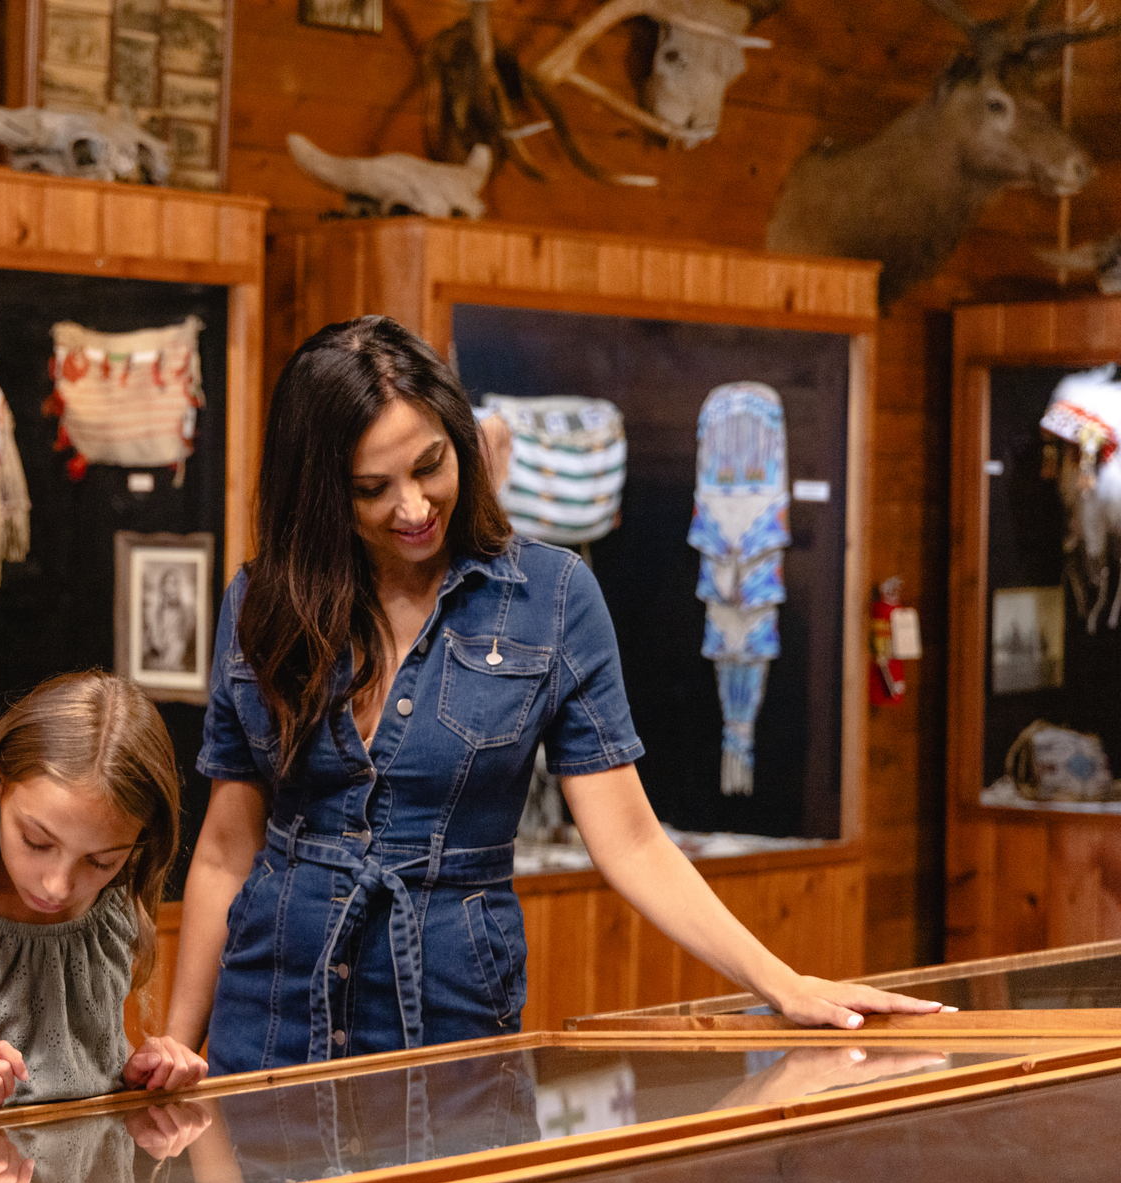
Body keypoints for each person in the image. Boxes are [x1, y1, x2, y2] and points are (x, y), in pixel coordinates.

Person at [165, 316, 945, 1074]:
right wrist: (179, 1044)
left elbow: (632, 842)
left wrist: (781, 983)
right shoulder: (265, 601)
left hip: (449, 1023)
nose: (413, 507)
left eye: (431, 465)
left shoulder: (551, 596)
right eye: (373, 488)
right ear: (320, 490)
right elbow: (229, 849)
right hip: (269, 1023)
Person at [0, 671, 209, 1109]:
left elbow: (83, 1072)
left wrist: (148, 1070)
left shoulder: (114, 902)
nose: (58, 886)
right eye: (37, 842)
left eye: (100, 861)